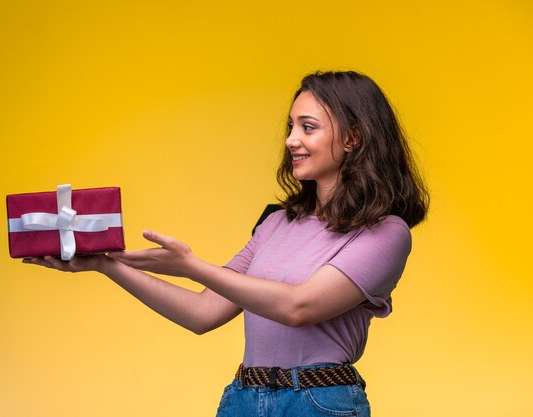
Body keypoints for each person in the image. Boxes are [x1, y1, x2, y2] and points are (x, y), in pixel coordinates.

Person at [23, 70, 429, 417]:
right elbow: (203, 312)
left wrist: (193, 266)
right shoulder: (276, 223)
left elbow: (298, 307)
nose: (290, 140)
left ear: (353, 138)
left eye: (308, 127)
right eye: (290, 126)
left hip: (319, 402)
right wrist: (108, 265)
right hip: (242, 398)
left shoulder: (386, 232)